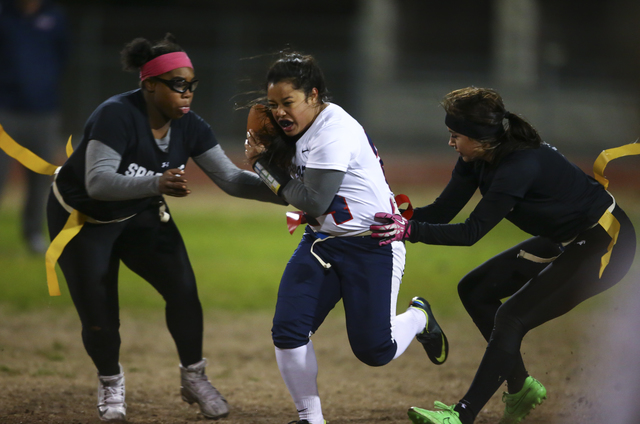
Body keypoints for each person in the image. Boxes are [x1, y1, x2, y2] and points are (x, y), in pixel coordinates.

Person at [47, 34, 285, 422]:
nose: (187, 93)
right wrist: (156, 184)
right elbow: (98, 183)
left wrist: (288, 193)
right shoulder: (117, 114)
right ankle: (110, 381)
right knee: (100, 316)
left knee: (184, 291)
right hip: (83, 221)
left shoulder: (190, 125)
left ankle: (194, 377)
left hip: (139, 213)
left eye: (191, 85)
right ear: (149, 85)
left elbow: (230, 179)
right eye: (178, 85)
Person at [369, 86, 637, 424]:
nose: (450, 142)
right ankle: (521, 386)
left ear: (480, 138)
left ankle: (463, 415)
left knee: (511, 317)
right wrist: (397, 217)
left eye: (455, 135)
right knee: (475, 290)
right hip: (566, 238)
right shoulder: (477, 156)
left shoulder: (519, 165)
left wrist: (409, 231)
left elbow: (471, 232)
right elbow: (443, 210)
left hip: (607, 242)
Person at [243, 51, 449, 424]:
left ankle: (419, 317)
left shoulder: (333, 129)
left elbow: (314, 198)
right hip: (322, 242)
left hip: (373, 244)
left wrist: (261, 166)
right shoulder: (300, 131)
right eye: (273, 104)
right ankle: (311, 419)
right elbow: (291, 193)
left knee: (375, 351)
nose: (279, 113)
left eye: (288, 102)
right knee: (288, 331)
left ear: (314, 95)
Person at [0, 0, 70, 253]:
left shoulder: (55, 16)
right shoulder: (3, 14)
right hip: (4, 110)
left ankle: (33, 235)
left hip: (44, 111)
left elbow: (63, 57)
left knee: (41, 178)